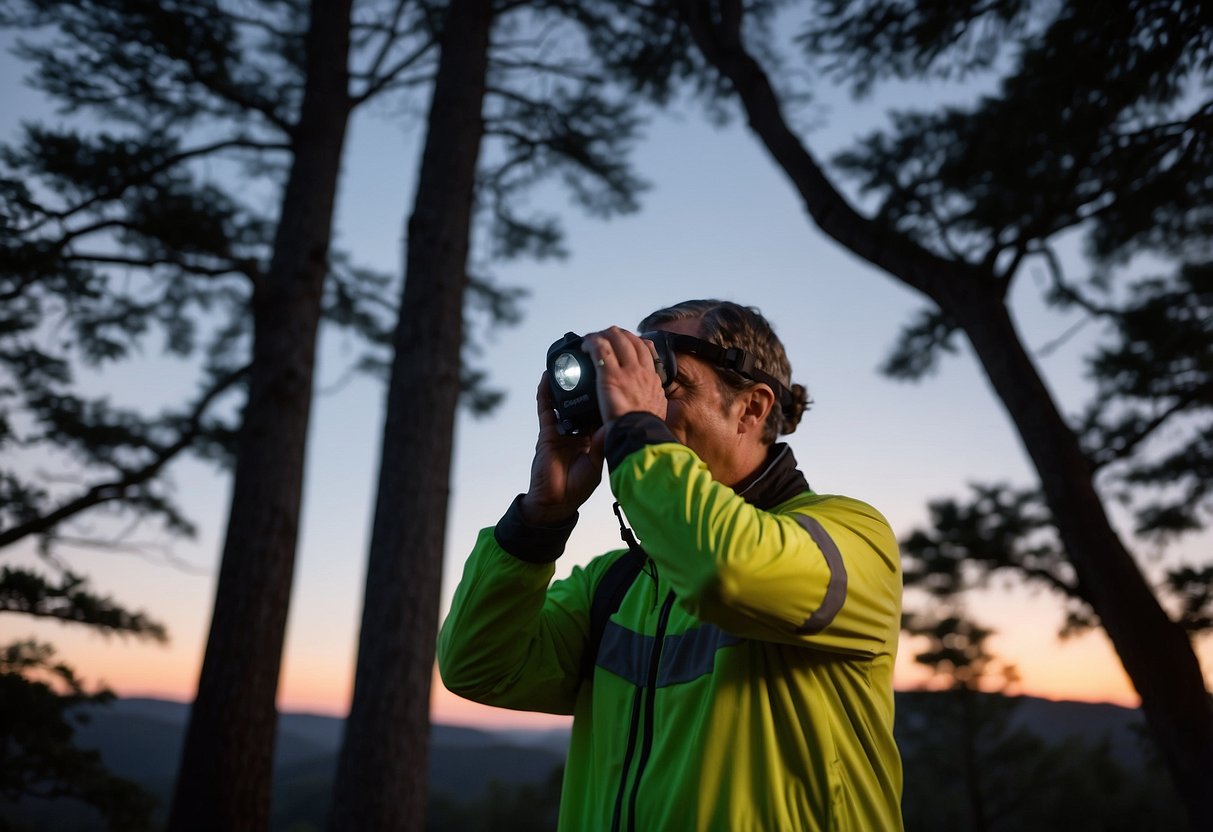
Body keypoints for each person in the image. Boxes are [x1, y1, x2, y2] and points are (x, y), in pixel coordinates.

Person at [437, 299, 903, 831]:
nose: (638, 407)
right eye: (637, 386)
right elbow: (476, 667)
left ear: (751, 408)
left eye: (667, 385)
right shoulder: (618, 583)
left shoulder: (851, 537)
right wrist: (541, 520)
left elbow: (724, 572)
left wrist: (638, 425)